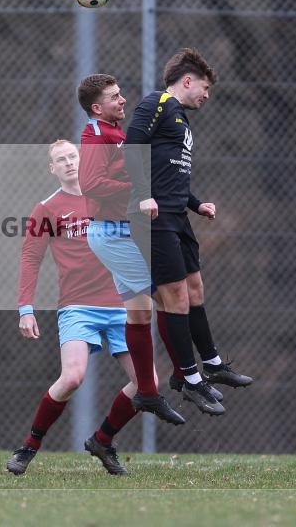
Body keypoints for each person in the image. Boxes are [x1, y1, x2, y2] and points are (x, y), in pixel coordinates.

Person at [6, 140, 184, 478]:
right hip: (78, 307)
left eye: (73, 156)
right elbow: (31, 257)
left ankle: (103, 439)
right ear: (52, 168)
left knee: (146, 384)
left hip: (123, 306)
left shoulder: (112, 196)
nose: (69, 163)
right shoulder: (46, 208)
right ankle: (29, 447)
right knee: (72, 377)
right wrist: (25, 308)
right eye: (61, 159)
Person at [124, 48, 253, 416]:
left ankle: (212, 363)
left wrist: (197, 204)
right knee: (176, 295)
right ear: (187, 80)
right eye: (204, 87)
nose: (206, 95)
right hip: (152, 217)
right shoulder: (157, 104)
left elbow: (170, 171)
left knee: (195, 289)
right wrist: (144, 196)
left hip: (177, 215)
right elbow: (130, 148)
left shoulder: (179, 118)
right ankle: (190, 380)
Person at [77, 74, 194, 423]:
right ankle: (182, 375)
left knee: (142, 312)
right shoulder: (96, 134)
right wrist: (137, 190)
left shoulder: (118, 134)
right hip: (111, 233)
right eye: (114, 97)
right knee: (166, 297)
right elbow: (92, 184)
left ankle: (148, 391)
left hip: (125, 232)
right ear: (98, 108)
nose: (123, 100)